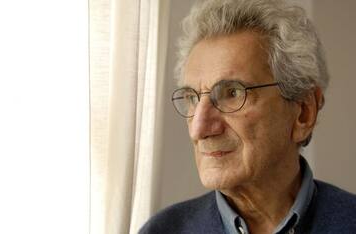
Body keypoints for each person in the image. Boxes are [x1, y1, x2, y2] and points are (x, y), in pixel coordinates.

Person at [139, 0, 356, 233]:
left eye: (232, 93)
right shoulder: (162, 229)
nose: (199, 129)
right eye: (192, 98)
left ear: (304, 111)